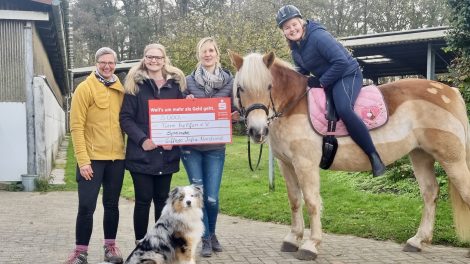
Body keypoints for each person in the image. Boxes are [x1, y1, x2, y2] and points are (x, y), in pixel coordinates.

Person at [276, 5, 386, 177]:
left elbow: (341, 62)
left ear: (301, 22)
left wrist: (321, 81)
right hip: (328, 80)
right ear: (283, 32)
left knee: (344, 109)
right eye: (286, 27)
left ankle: (374, 157)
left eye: (293, 24)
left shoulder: (318, 36)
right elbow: (302, 72)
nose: (292, 29)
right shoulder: (295, 48)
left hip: (347, 74)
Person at [119, 43, 186, 244]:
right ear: (144, 58)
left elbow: (182, 116)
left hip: (166, 156)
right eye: (150, 57)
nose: (154, 61)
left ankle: (159, 242)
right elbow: (125, 118)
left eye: (158, 57)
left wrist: (172, 141)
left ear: (164, 60)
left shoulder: (176, 85)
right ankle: (140, 242)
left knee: (162, 201)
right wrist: (143, 140)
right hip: (142, 155)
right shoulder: (134, 84)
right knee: (143, 200)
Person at [182, 37, 239, 257]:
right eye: (203, 51)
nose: (207, 54)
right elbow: (175, 110)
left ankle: (212, 233)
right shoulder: (187, 81)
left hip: (216, 147)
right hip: (191, 148)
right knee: (199, 195)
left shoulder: (229, 81)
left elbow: (237, 108)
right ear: (199, 55)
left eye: (211, 51)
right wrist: (183, 103)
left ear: (217, 54)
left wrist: (236, 115)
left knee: (212, 197)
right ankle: (204, 238)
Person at [68, 47, 125, 264]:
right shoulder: (85, 88)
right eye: (103, 62)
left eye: (111, 63)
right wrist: (83, 161)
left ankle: (110, 247)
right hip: (91, 160)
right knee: (86, 206)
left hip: (116, 159)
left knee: (112, 205)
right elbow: (76, 126)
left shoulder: (120, 89)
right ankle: (80, 252)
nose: (107, 66)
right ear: (96, 63)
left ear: (115, 64)